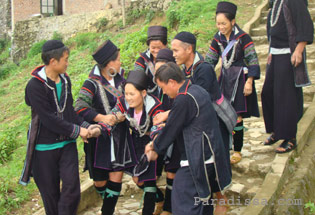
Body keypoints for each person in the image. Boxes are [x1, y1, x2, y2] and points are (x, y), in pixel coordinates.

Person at [22, 40, 101, 215]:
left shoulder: (65, 80)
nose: (67, 62)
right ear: (53, 61)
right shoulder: (34, 86)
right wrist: (78, 130)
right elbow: (48, 118)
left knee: (72, 189)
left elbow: (69, 113)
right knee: (50, 197)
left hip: (66, 145)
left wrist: (88, 126)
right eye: (65, 59)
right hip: (43, 149)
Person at [146, 62, 232, 215]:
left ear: (172, 82)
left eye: (163, 88)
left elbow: (172, 128)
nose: (164, 93)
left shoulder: (184, 98)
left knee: (183, 198)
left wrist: (155, 148)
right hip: (211, 155)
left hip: (198, 157)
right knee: (202, 200)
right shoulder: (196, 90)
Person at [170, 31, 233, 214]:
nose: (173, 54)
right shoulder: (186, 70)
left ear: (189, 49)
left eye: (176, 50)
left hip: (214, 124)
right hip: (200, 124)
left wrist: (169, 115)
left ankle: (221, 199)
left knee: (215, 162)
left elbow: (195, 101)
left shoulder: (203, 69)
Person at [75, 40, 136, 215]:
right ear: (109, 63)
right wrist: (102, 118)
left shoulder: (123, 79)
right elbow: (80, 107)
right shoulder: (91, 83)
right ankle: (106, 202)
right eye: (117, 59)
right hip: (99, 138)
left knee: (116, 175)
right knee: (100, 182)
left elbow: (131, 98)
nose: (120, 62)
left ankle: (106, 211)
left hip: (120, 137)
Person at [205, 1, 260, 164]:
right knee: (222, 114)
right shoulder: (217, 38)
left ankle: (237, 150)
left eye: (223, 23)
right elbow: (210, 60)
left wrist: (250, 81)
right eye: (218, 23)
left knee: (237, 117)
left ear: (233, 21)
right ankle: (225, 147)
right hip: (224, 79)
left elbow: (253, 60)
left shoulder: (243, 38)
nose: (220, 26)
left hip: (240, 81)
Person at [261, 0, 314, 153]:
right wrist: (271, 49)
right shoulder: (276, 2)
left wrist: (299, 49)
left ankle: (290, 138)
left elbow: (305, 24)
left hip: (289, 52)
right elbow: (274, 27)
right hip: (276, 52)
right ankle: (277, 130)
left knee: (286, 96)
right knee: (268, 92)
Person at [111, 70, 164, 215]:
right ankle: (160, 199)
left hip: (151, 143)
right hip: (134, 142)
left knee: (149, 181)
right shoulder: (123, 102)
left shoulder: (154, 106)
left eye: (132, 94)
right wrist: (112, 118)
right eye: (126, 94)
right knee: (137, 180)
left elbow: (158, 127)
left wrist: (154, 145)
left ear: (143, 93)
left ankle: (148, 211)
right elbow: (113, 113)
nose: (128, 98)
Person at [153, 48, 181, 215]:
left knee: (171, 171)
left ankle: (169, 208)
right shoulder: (157, 87)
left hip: (174, 133)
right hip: (162, 131)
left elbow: (179, 111)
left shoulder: (179, 89)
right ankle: (161, 203)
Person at [134, 25, 168, 97]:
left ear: (166, 45)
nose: (156, 51)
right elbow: (137, 79)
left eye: (159, 47)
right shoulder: (142, 61)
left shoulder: (172, 58)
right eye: (153, 47)